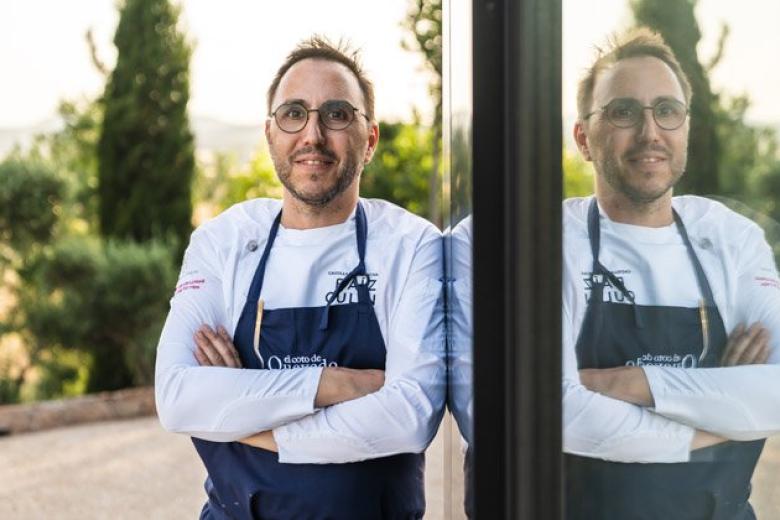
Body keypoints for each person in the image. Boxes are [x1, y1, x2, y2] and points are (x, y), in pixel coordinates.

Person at [154, 36, 445, 520]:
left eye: (337, 114)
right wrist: (334, 384)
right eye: (293, 113)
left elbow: (410, 416)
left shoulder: (410, 245)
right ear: (271, 134)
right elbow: (178, 398)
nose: (313, 135)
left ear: (370, 140)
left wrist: (249, 419)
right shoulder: (224, 241)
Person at [563, 28, 780, 519]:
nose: (650, 132)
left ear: (685, 128)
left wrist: (630, 383)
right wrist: (722, 411)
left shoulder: (730, 238)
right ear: (583, 139)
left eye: (667, 110)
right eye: (623, 112)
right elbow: (553, 412)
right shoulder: (553, 241)